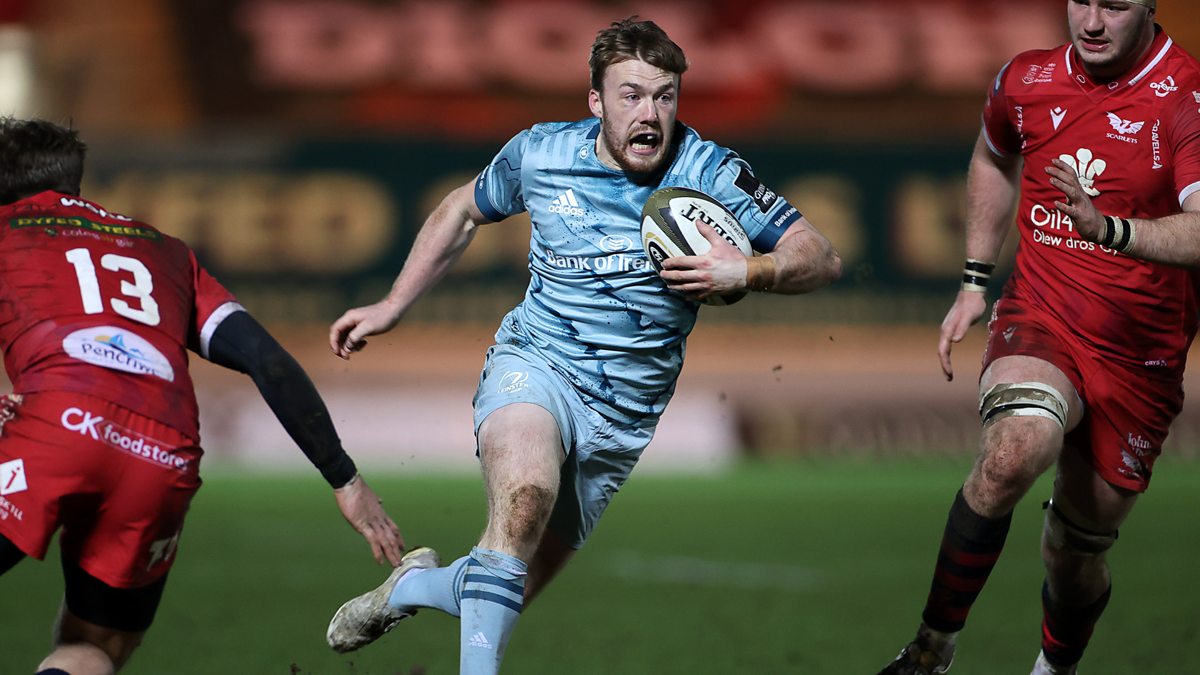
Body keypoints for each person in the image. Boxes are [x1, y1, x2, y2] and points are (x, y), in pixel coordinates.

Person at [323, 16, 841, 674]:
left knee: (504, 588)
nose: (649, 113)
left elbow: (820, 256)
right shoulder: (541, 154)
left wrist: (749, 270)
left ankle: (413, 586)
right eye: (631, 95)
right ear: (596, 101)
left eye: (664, 96)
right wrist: (392, 304)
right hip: (535, 366)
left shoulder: (708, 171)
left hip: (623, 417)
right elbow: (460, 210)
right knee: (525, 500)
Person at [0, 117, 406, 675]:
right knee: (96, 643)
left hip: (56, 428)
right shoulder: (164, 252)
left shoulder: (8, 231)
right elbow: (268, 361)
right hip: (161, 454)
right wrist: (346, 479)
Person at [879, 1, 1200, 673]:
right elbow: (993, 157)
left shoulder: (1185, 97)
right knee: (1014, 450)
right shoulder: (1024, 79)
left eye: (1114, 5)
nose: (1091, 21)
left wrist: (1109, 229)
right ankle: (930, 650)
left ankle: (1055, 667)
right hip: (1043, 312)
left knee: (1075, 553)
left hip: (1140, 352)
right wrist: (974, 280)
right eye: (1081, 0)